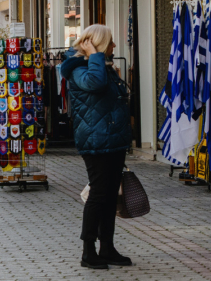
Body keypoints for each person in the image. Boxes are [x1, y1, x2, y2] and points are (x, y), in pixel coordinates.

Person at [60, 24, 132, 270]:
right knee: (98, 194)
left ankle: (108, 248)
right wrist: (95, 56)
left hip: (113, 140)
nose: (114, 46)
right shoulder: (79, 69)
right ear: (98, 44)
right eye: (110, 42)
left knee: (111, 195)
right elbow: (96, 85)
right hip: (95, 141)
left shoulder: (103, 66)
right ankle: (88, 251)